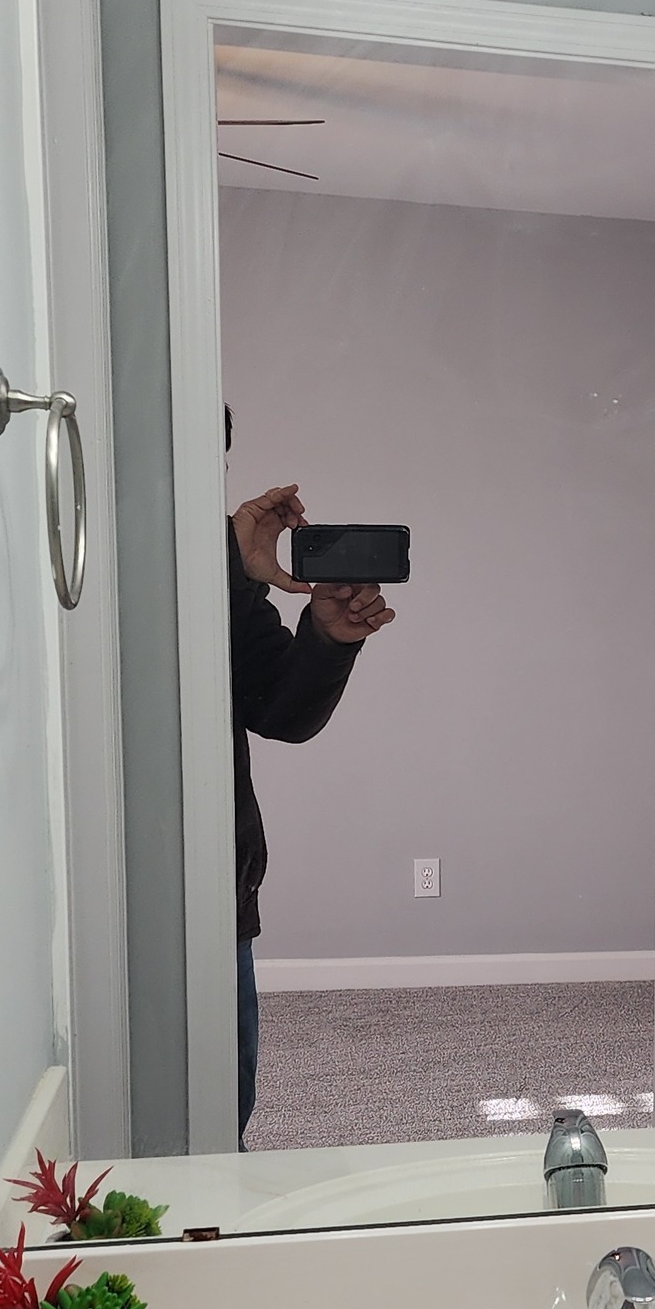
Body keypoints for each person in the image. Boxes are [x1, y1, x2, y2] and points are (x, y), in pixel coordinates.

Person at [226, 405, 396, 1139]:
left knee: (221, 1109)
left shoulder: (224, 577)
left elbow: (279, 711)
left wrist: (327, 639)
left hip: (220, 890)